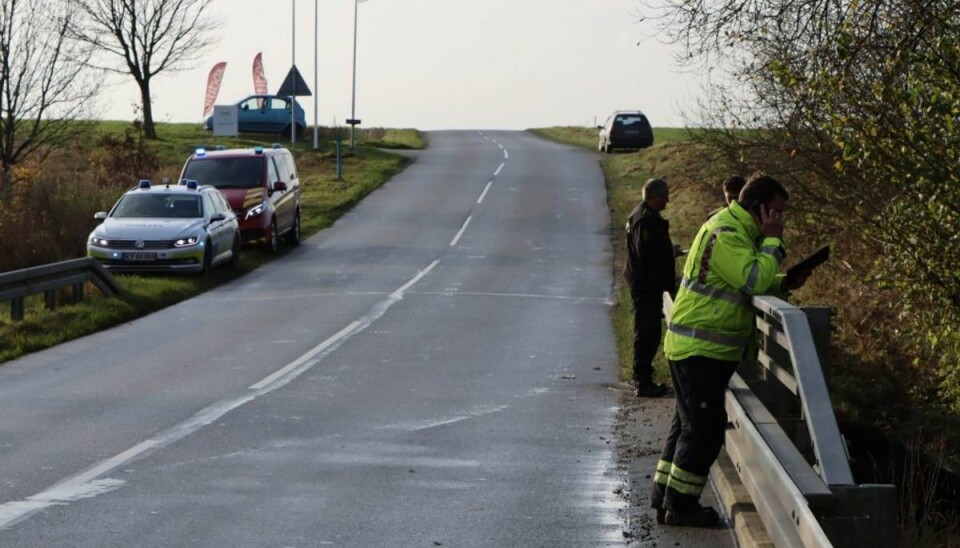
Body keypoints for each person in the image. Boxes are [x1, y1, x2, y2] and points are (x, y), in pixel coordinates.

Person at [651, 172, 811, 526]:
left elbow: (745, 281)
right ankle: (682, 506)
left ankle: (665, 495)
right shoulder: (729, 234)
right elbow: (752, 279)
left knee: (687, 424)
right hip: (699, 348)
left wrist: (785, 282)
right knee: (704, 429)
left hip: (700, 347)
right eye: (776, 212)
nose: (779, 220)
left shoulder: (734, 231)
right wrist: (773, 244)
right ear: (759, 209)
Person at [623, 178, 681, 398]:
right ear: (655, 197)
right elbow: (646, 253)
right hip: (646, 286)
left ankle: (644, 377)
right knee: (647, 334)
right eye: (665, 196)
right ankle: (642, 381)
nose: (668, 200)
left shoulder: (644, 216)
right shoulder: (645, 220)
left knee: (650, 333)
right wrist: (668, 253)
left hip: (648, 285)